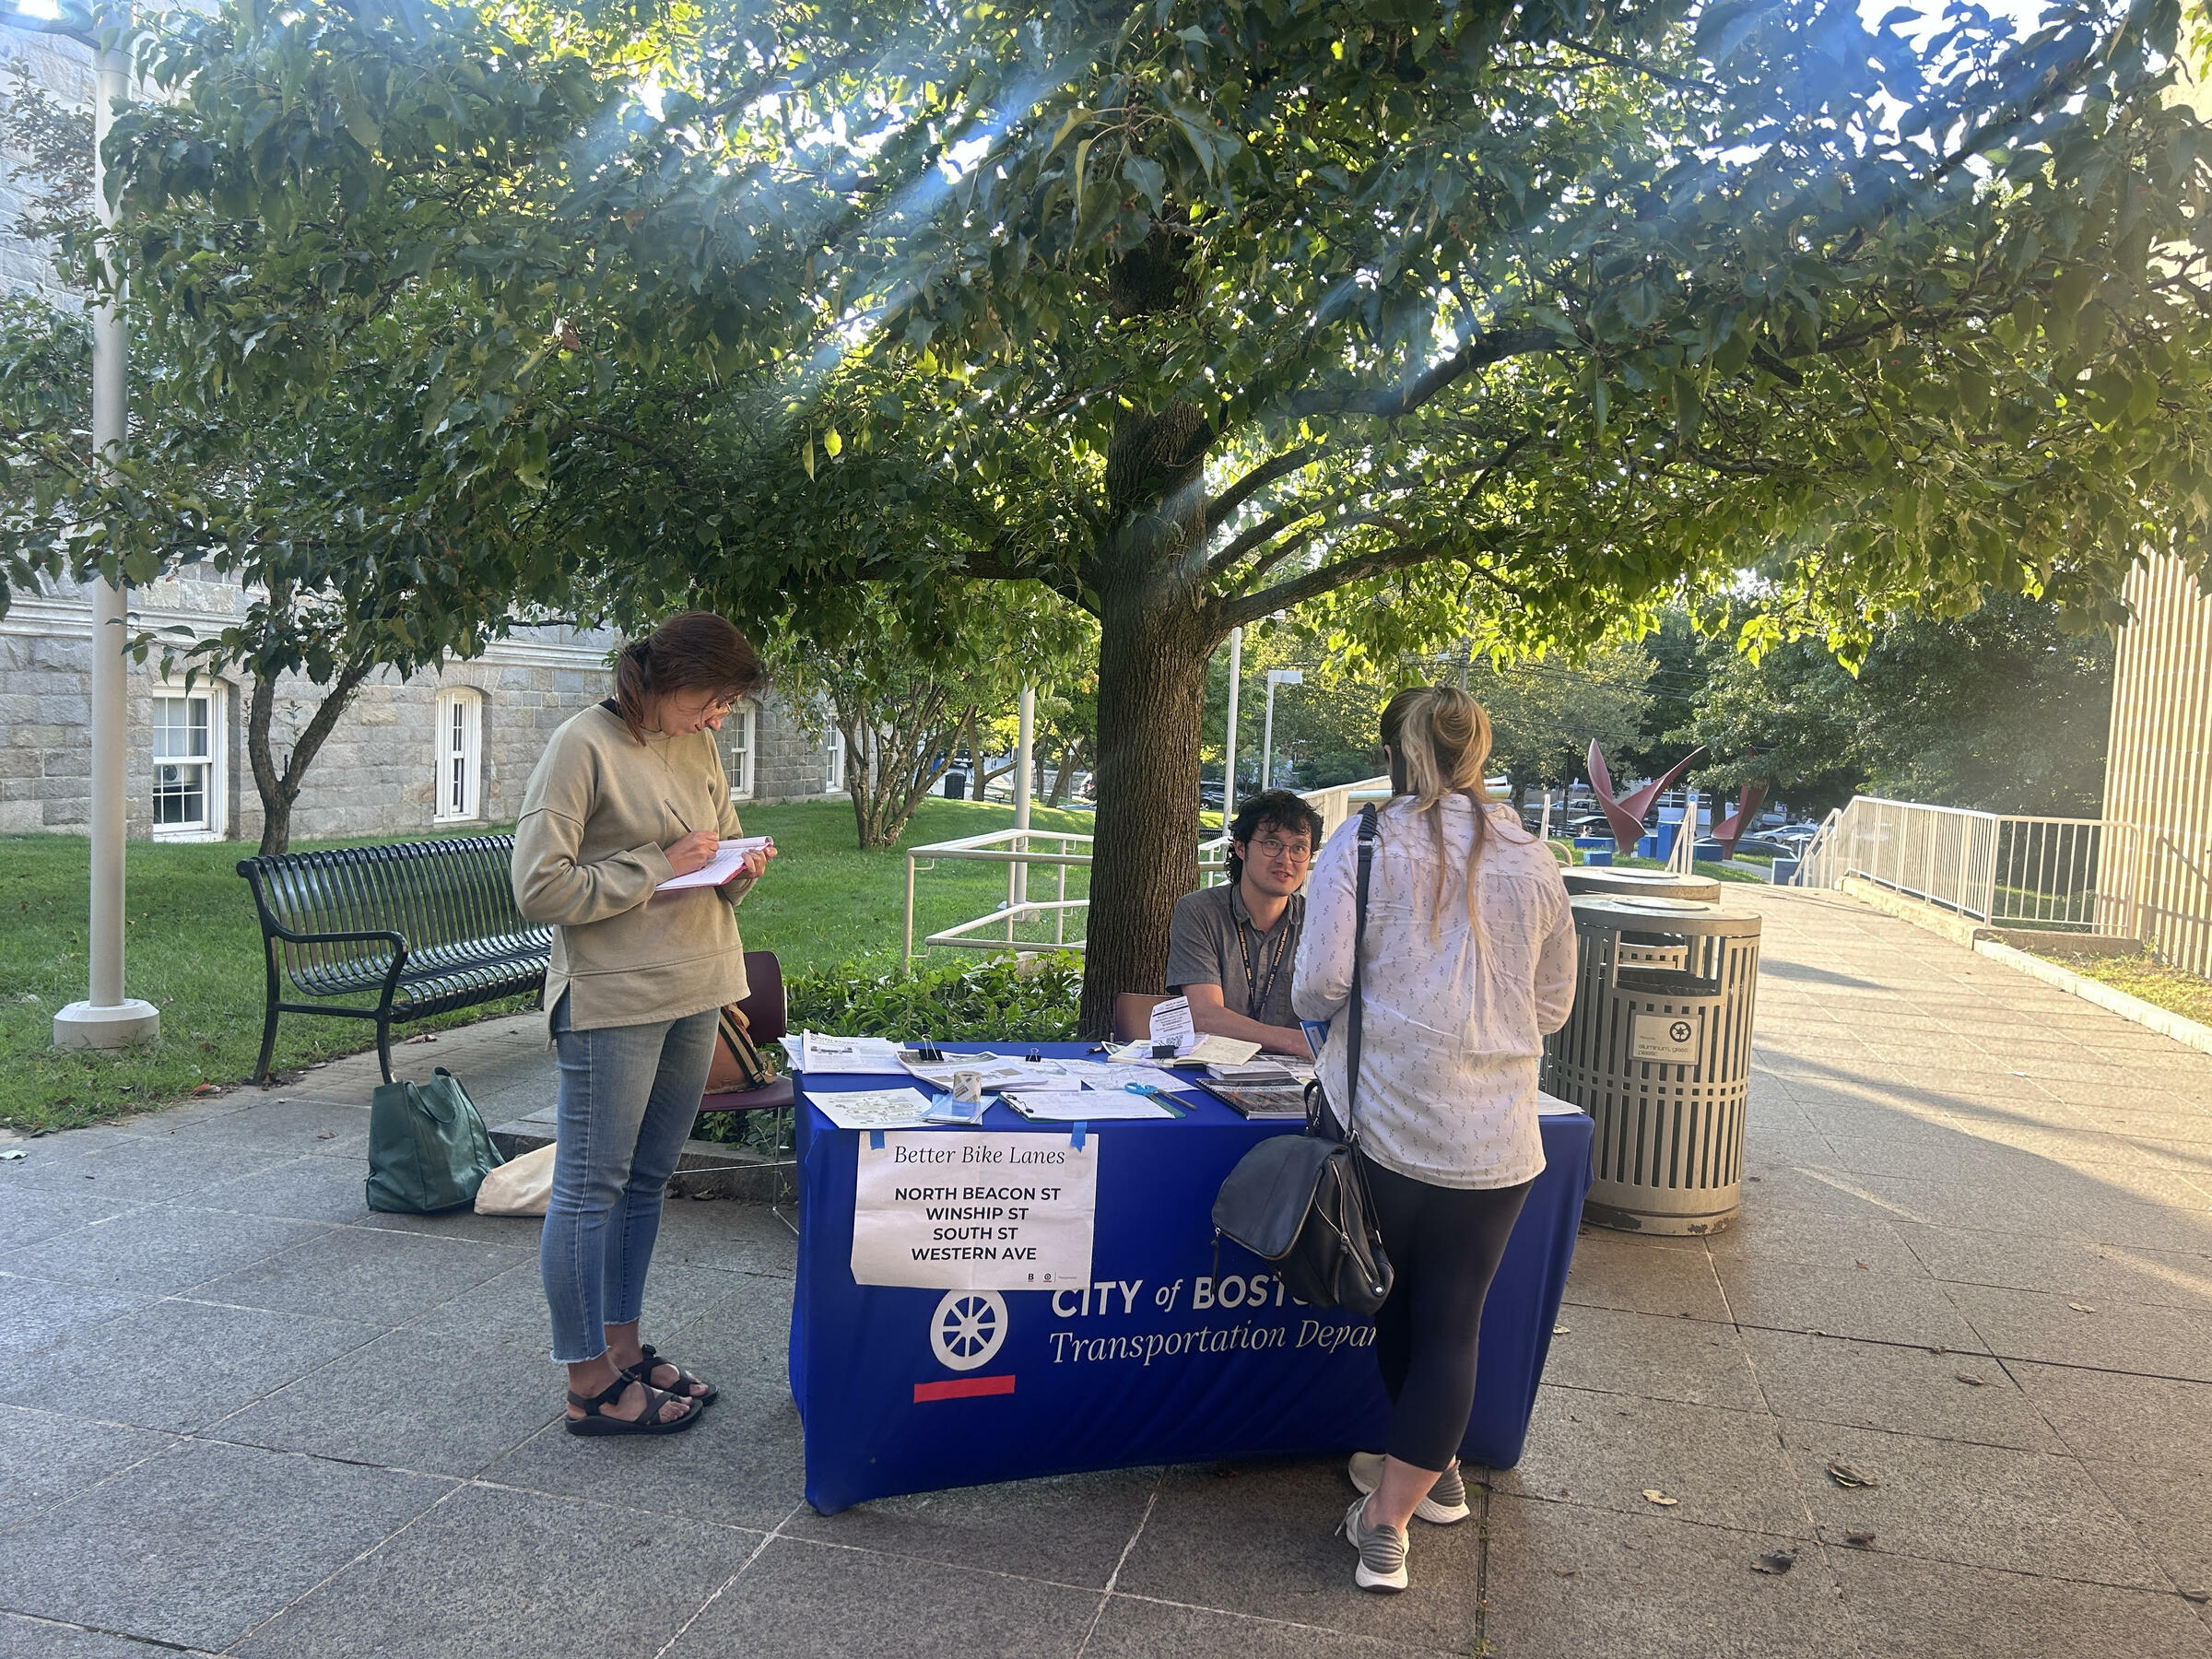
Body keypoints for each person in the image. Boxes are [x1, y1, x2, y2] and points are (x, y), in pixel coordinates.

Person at [1292, 687, 1575, 1592]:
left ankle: (1386, 1527)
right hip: (1496, 1137)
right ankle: (1430, 1476)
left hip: (1386, 1122)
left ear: (1392, 752)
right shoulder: (1534, 855)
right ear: (1478, 754)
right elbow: (1556, 1004)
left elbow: (1317, 981)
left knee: (1399, 1305)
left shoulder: (1366, 840)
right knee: (1450, 1320)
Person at [512, 611, 776, 1436]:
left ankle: (622, 1348)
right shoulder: (581, 746)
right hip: (613, 999)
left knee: (648, 1180)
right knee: (592, 1187)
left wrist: (739, 868)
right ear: (670, 678)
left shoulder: (695, 745)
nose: (719, 718)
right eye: (715, 699)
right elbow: (540, 888)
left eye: (730, 705)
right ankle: (587, 1380)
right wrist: (660, 864)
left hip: (699, 985)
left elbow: (716, 849)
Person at [1164, 789, 1325, 1056]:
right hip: (1213, 1068)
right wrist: (1296, 1042)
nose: (1285, 859)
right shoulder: (1199, 912)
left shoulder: (1320, 922)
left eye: (1298, 848)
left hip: (1300, 1081)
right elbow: (1204, 1016)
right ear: (1240, 847)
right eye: (1272, 844)